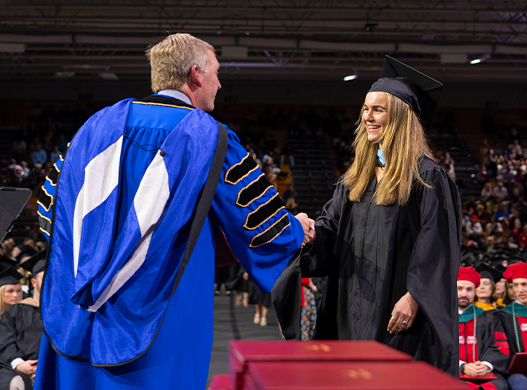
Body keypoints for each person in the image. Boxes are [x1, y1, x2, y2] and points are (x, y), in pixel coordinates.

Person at [33, 33, 311, 390]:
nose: (220, 83)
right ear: (196, 74)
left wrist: (96, 259)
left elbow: (53, 214)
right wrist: (296, 229)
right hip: (162, 303)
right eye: (216, 73)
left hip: (78, 306)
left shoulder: (94, 128)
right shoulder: (210, 138)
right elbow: (255, 223)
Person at [274, 56, 462, 376]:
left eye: (378, 109)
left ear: (400, 117)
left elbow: (439, 245)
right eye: (365, 109)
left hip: (398, 310)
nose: (367, 117)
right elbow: (331, 228)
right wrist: (312, 233)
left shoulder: (426, 177)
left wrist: (416, 297)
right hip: (351, 304)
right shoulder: (355, 178)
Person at [456, 267, 508, 390]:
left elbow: (501, 345)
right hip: (451, 371)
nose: (464, 294)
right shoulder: (443, 318)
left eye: (469, 289)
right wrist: (462, 366)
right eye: (459, 289)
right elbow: (436, 350)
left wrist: (486, 365)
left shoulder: (488, 318)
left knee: (500, 386)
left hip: (483, 374)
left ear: (475, 292)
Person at [0, 256, 45, 390]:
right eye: (44, 279)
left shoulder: (62, 312)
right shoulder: (15, 311)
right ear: (34, 282)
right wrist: (19, 364)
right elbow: (6, 340)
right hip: (19, 368)